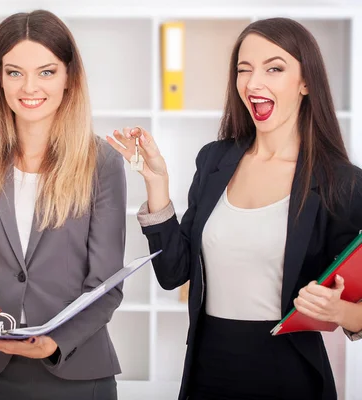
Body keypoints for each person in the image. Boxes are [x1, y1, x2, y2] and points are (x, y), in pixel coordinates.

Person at [107, 17, 362, 400]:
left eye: (274, 68)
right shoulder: (214, 160)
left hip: (290, 374)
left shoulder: (342, 182)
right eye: (245, 70)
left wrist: (340, 312)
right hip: (208, 369)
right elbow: (174, 273)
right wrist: (156, 183)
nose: (254, 83)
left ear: (306, 81)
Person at [0, 10, 126, 400]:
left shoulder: (102, 163)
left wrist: (54, 340)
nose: (29, 86)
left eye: (46, 72)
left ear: (69, 79)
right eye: (14, 72)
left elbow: (106, 287)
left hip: (74, 368)